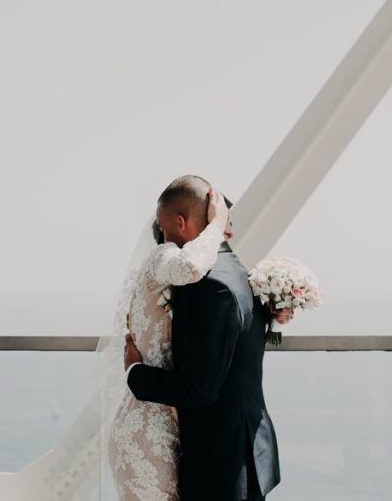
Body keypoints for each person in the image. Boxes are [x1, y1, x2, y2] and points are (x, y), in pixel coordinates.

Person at [111, 175, 288, 500]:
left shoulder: (208, 286)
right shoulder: (239, 273)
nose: (162, 240)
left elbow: (198, 389)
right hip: (245, 452)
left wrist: (134, 372)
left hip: (220, 463)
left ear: (180, 222)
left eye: (164, 232)